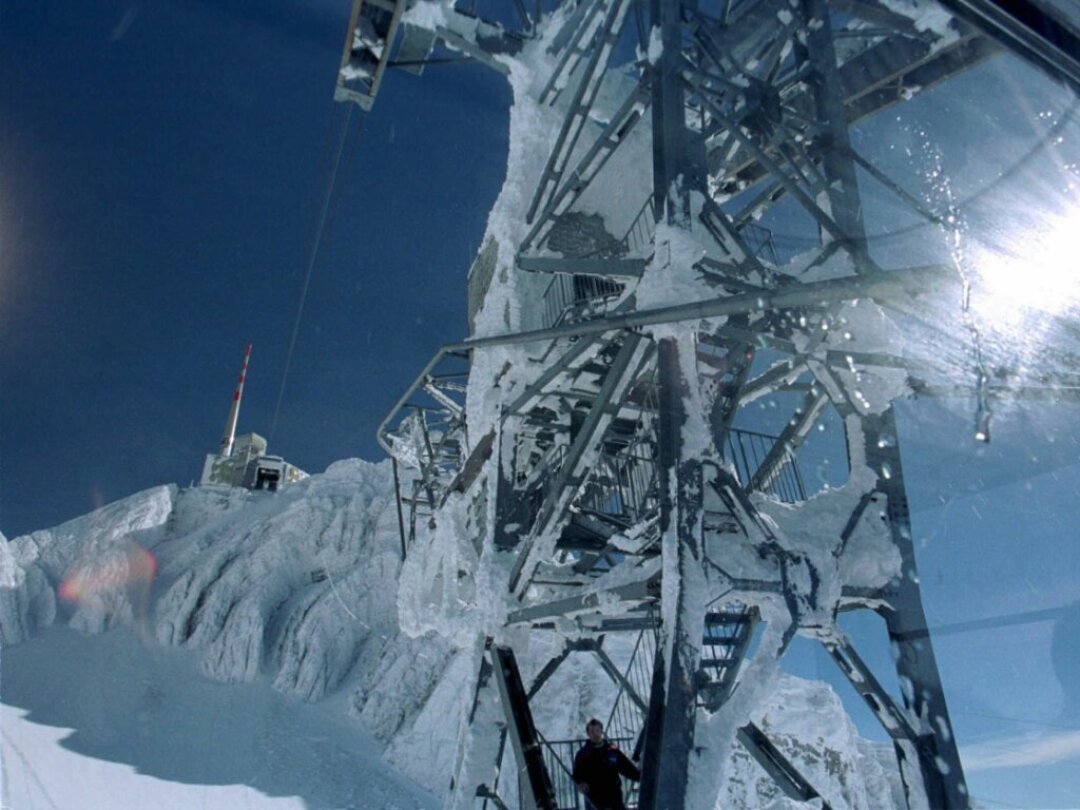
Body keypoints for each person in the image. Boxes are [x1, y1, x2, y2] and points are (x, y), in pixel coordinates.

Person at [571, 719, 640, 810]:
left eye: (597, 730)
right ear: (588, 734)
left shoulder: (612, 751)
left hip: (614, 795)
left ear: (601, 731)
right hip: (594, 798)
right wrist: (581, 783)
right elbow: (577, 774)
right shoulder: (583, 754)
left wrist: (640, 777)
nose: (595, 734)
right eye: (592, 731)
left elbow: (626, 767)